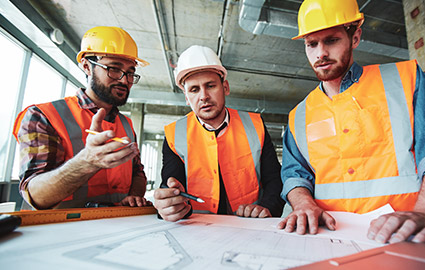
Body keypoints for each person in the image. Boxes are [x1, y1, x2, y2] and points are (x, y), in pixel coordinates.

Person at [278, 0, 425, 244]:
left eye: (331, 40)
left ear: (355, 37)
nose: (320, 53)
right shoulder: (299, 115)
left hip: (409, 238)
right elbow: (295, 175)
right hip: (330, 240)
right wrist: (303, 203)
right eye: (311, 44)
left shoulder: (406, 80)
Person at [13, 26, 152, 209]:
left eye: (131, 72)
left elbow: (137, 172)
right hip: (62, 230)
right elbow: (36, 196)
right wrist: (87, 161)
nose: (124, 80)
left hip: (118, 225)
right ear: (87, 66)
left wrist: (134, 196)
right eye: (114, 69)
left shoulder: (126, 123)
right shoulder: (43, 116)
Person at [153, 45, 285, 221]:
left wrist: (266, 207)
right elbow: (171, 184)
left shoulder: (255, 125)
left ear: (226, 87)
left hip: (250, 225)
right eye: (194, 89)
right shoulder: (174, 134)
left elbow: (274, 180)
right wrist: (169, 205)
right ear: (186, 98)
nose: (204, 96)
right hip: (197, 228)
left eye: (210, 86)